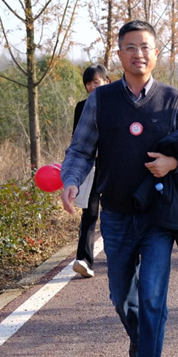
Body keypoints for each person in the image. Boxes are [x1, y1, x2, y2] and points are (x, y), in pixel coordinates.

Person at [61, 20, 178, 357]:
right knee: (121, 296)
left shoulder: (173, 100)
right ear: (119, 54)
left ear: (157, 54)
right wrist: (71, 180)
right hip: (116, 214)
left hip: (159, 216)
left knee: (152, 297)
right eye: (131, 47)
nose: (139, 54)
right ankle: (139, 335)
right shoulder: (100, 101)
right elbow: (81, 149)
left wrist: (174, 163)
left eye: (146, 47)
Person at [71, 64, 111, 278]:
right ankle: (84, 260)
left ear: (107, 81)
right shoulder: (81, 107)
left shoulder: (118, 104)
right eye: (88, 83)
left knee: (116, 212)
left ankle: (121, 254)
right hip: (93, 167)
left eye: (96, 82)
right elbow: (77, 141)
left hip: (115, 167)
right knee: (90, 212)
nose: (92, 87)